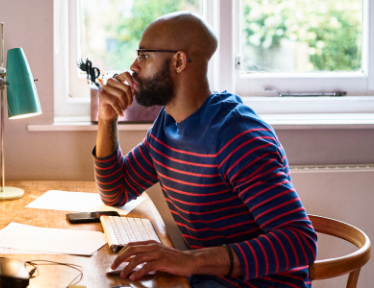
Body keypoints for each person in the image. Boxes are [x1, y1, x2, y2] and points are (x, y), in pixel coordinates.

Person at [93, 12, 317, 288]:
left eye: (144, 56)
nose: (133, 67)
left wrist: (187, 261)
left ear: (178, 61)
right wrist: (107, 118)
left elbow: (300, 242)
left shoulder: (237, 137)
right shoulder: (167, 125)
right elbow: (116, 192)